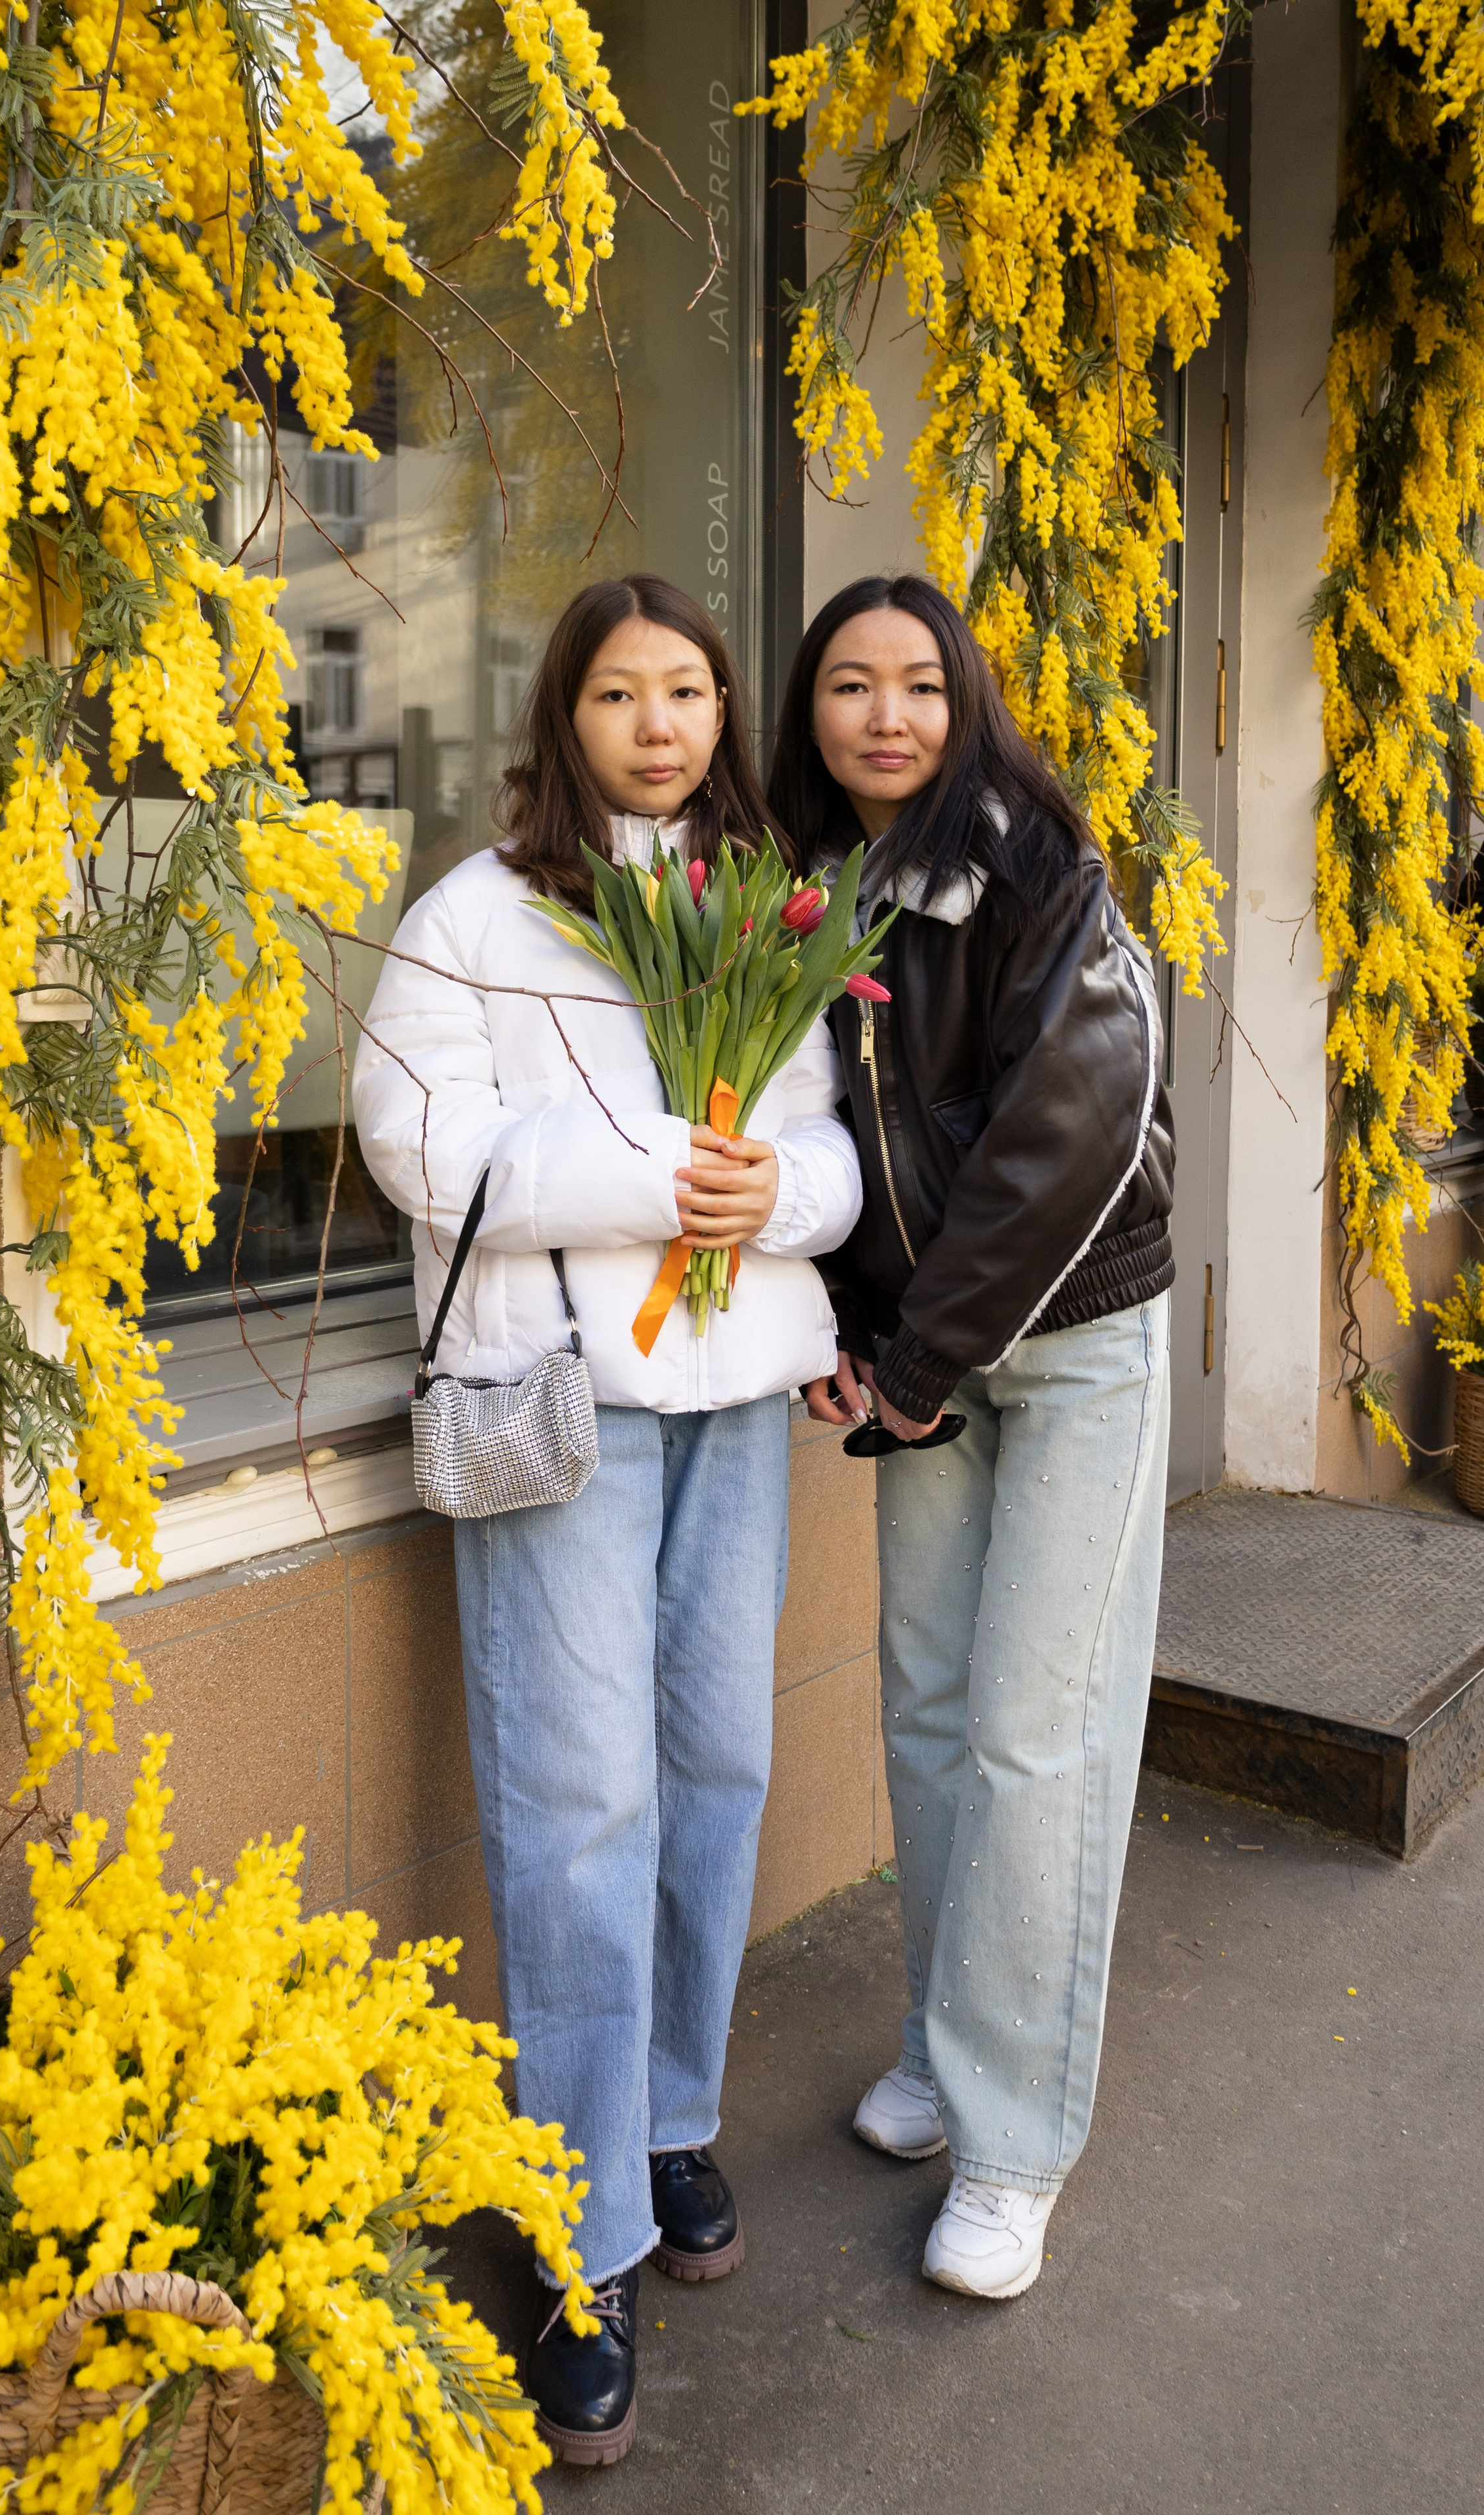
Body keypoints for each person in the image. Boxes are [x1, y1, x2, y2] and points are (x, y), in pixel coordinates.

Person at [352, 574, 861, 2461]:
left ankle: (661, 2118)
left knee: (715, 1765)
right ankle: (582, 2244)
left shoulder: (760, 905)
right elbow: (418, 1140)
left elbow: (821, 1144)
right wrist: (665, 1170)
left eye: (694, 693)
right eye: (625, 693)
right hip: (558, 1411)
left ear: (725, 717)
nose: (664, 724)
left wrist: (772, 1198)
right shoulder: (478, 918)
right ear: (563, 715)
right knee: (580, 1800)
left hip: (730, 1403)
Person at [775, 573, 1174, 2303]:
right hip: (923, 1351)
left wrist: (919, 1357)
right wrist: (823, 1331)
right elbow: (810, 1126)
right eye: (850, 685)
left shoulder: (1033, 867)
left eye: (919, 685)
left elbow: (1068, 1133)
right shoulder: (807, 887)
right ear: (812, 712)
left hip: (1071, 1338)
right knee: (932, 1717)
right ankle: (951, 2049)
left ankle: (1018, 2150)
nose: (885, 716)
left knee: (1033, 1735)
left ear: (967, 703)